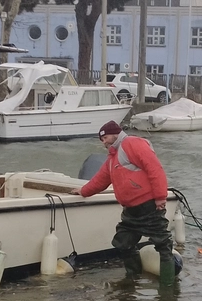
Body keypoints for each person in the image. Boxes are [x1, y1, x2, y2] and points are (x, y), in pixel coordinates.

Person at [71, 120, 176, 285]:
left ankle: (167, 287)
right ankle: (133, 278)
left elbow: (155, 169)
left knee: (163, 245)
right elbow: (100, 180)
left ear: (114, 134)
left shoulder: (133, 144)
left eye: (104, 138)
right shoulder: (113, 157)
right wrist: (83, 191)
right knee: (122, 244)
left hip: (149, 206)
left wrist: (160, 197)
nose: (103, 142)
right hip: (130, 211)